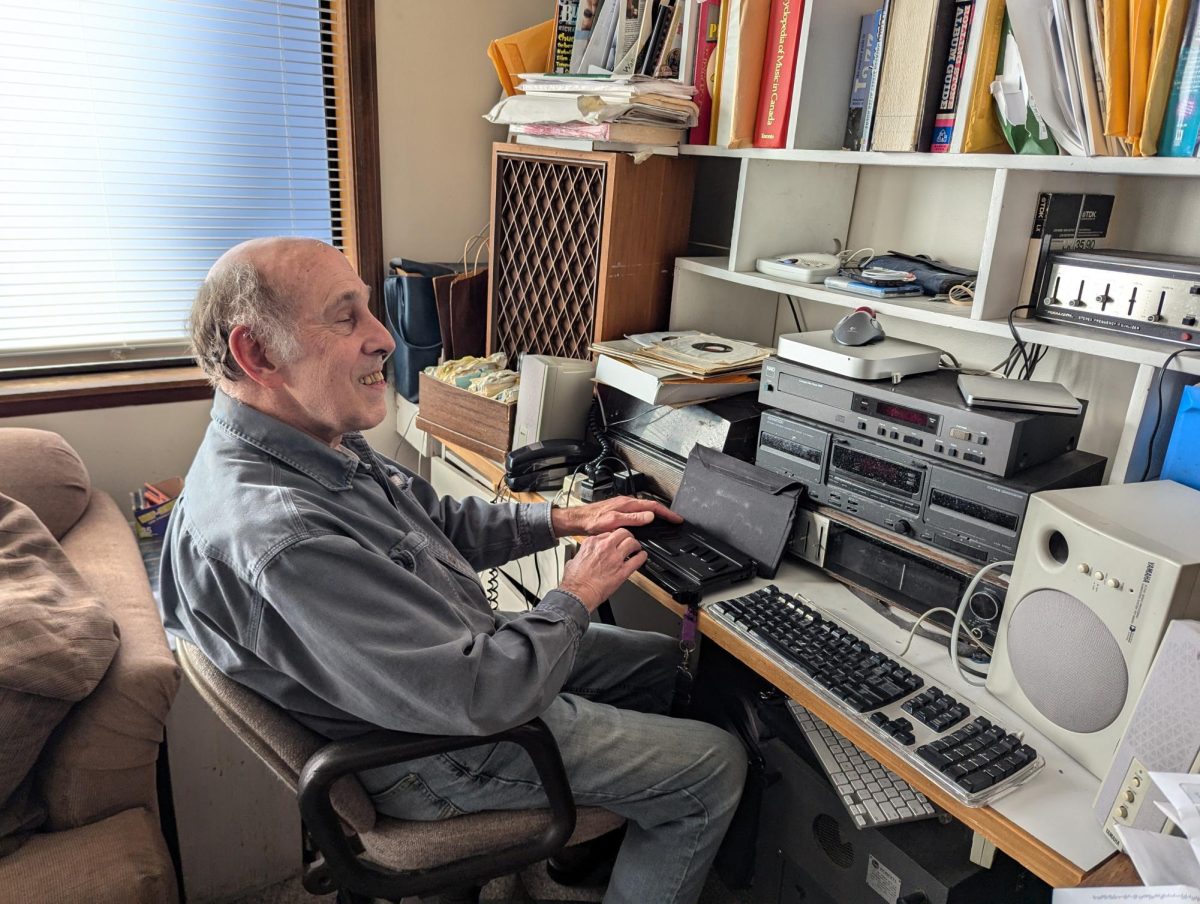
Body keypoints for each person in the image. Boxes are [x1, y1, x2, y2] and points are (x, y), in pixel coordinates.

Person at [159, 237, 748, 904]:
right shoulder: (284, 533)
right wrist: (576, 593)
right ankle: (655, 810)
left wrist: (562, 520)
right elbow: (484, 694)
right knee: (711, 768)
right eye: (345, 316)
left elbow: (432, 521)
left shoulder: (303, 439)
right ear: (258, 355)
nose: (384, 337)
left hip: (445, 674)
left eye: (370, 309)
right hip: (438, 747)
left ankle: (586, 854)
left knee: (657, 666)